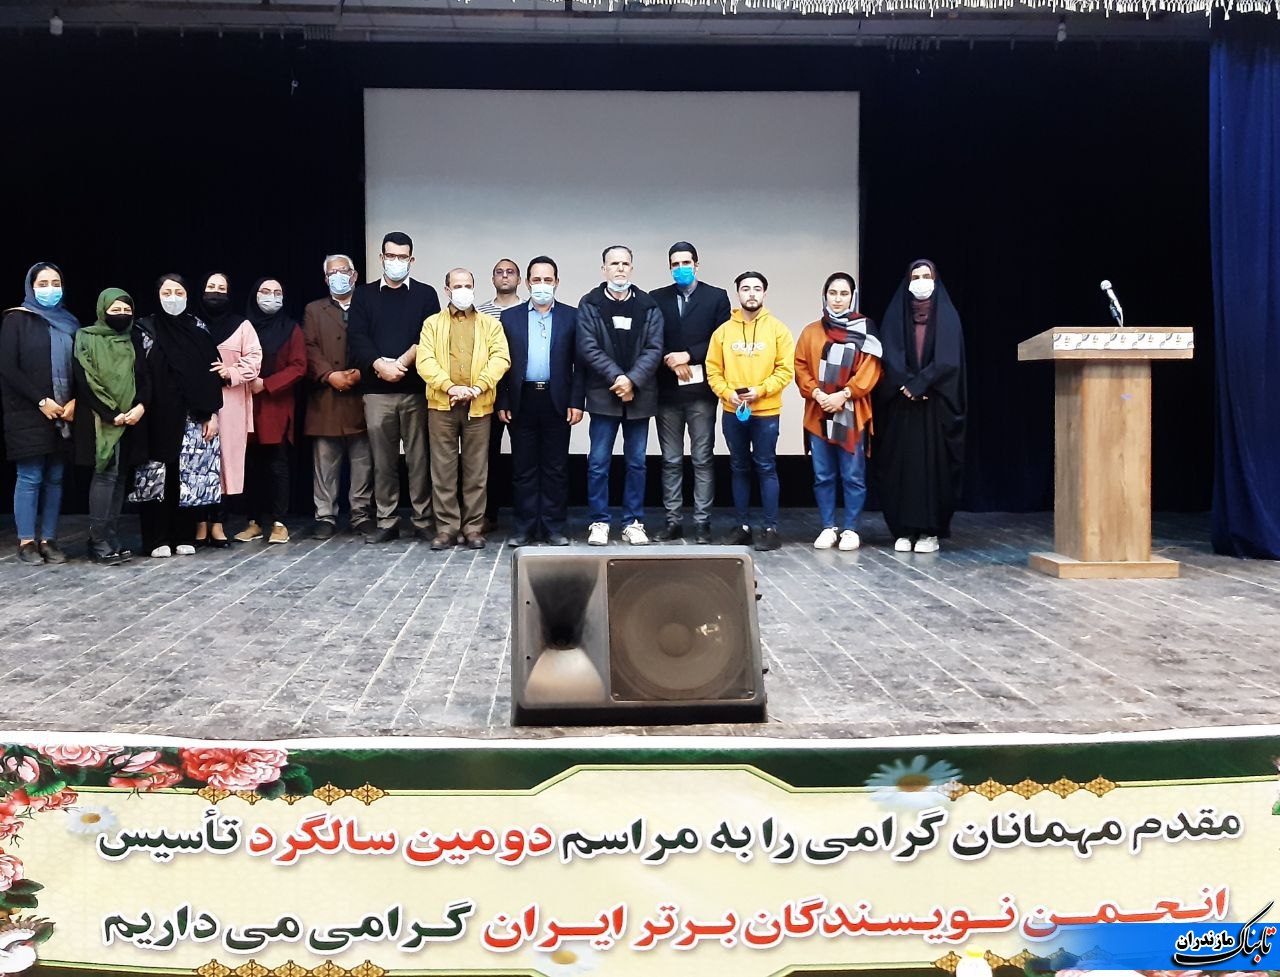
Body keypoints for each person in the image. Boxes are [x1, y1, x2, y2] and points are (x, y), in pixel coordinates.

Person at [347, 231, 441, 544]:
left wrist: (400, 364)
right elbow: (357, 337)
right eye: (391, 256)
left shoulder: (426, 294)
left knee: (419, 459)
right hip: (376, 392)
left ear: (411, 259)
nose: (396, 261)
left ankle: (423, 520)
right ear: (381, 257)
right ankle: (386, 520)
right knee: (383, 460)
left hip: (415, 390)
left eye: (402, 257)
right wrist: (380, 365)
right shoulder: (363, 295)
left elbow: (428, 336)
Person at [873, 259, 967, 553]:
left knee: (934, 469)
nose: (921, 281)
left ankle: (930, 532)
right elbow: (888, 352)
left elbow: (949, 359)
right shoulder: (896, 314)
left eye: (927, 276)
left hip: (935, 406)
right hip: (901, 406)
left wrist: (921, 384)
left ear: (936, 281)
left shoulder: (947, 316)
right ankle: (903, 530)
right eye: (916, 276)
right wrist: (905, 383)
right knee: (900, 467)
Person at [575, 245, 665, 546]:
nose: (620, 269)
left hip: (640, 397)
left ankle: (633, 522)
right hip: (604, 395)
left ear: (632, 268)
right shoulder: (590, 303)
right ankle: (599, 522)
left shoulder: (649, 305)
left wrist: (632, 380)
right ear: (604, 269)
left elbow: (654, 348)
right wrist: (618, 378)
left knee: (636, 463)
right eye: (614, 264)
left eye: (625, 263)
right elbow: (588, 347)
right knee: (598, 463)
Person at [416, 268, 510, 550]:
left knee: (476, 471)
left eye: (468, 285)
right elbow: (425, 361)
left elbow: (500, 358)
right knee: (443, 471)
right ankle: (446, 528)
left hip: (478, 405)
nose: (463, 291)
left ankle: (473, 528)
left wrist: (478, 387)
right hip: (441, 405)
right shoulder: (432, 323)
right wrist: (450, 387)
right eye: (457, 286)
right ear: (447, 290)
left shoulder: (490, 324)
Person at [496, 256, 583, 547]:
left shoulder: (571, 316)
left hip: (557, 400)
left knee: (556, 468)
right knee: (523, 468)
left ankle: (554, 528)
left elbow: (579, 364)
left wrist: (577, 401)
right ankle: (524, 528)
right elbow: (502, 364)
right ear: (526, 283)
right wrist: (503, 401)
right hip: (522, 399)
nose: (542, 285)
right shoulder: (510, 318)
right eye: (536, 280)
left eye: (548, 280)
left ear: (556, 282)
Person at [136, 274, 225, 558]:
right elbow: (139, 373)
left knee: (186, 476)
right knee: (156, 476)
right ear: (157, 295)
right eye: (167, 292)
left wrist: (211, 413)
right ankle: (156, 539)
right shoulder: (145, 329)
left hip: (191, 417)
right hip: (154, 415)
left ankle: (183, 535)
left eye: (179, 292)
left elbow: (211, 374)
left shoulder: (198, 328)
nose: (173, 298)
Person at [705, 271, 794, 552]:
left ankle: (770, 528)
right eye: (745, 288)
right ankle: (742, 526)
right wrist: (727, 393)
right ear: (738, 294)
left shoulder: (778, 330)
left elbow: (785, 370)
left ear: (764, 293)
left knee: (766, 467)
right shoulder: (723, 332)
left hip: (766, 411)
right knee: (738, 467)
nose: (751, 293)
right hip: (733, 410)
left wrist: (761, 390)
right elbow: (713, 369)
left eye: (757, 288)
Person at [793, 273, 883, 551]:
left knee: (853, 475)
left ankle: (851, 529)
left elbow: (871, 369)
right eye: (833, 293)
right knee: (823, 475)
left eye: (844, 294)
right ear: (825, 296)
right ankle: (828, 527)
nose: (838, 299)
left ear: (852, 297)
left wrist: (844, 394)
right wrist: (818, 394)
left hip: (851, 412)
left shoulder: (865, 329)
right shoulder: (810, 331)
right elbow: (800, 366)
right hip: (818, 411)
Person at [650, 241, 731, 544]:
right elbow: (650, 338)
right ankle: (672, 521)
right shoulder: (656, 298)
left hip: (701, 393)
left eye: (686, 263)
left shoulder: (716, 297)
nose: (681, 268)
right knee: (671, 460)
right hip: (667, 392)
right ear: (669, 267)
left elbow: (721, 339)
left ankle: (702, 523)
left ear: (697, 264)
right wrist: (670, 359)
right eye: (675, 264)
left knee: (702, 458)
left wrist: (689, 355)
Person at [0, 263, 79, 564]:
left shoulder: (70, 322)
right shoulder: (16, 319)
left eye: (55, 283)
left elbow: (80, 367)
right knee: (30, 476)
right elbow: (8, 367)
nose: (50, 289)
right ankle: (26, 542)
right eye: (42, 284)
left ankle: (48, 539)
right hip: (29, 411)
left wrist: (75, 401)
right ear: (30, 287)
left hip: (64, 412)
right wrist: (41, 401)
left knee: (55, 477)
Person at [72, 288, 150, 564]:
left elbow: (145, 376)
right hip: (100, 419)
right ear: (102, 311)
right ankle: (98, 541)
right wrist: (111, 413)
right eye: (115, 310)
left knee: (120, 478)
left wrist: (140, 406)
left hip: (131, 418)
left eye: (127, 310)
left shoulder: (134, 337)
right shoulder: (85, 337)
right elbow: (85, 380)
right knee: (105, 475)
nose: (122, 314)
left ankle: (111, 536)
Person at [303, 254, 373, 538]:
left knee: (363, 461)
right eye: (333, 273)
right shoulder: (313, 309)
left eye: (344, 271)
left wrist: (360, 372)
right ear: (325, 279)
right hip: (326, 396)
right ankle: (325, 516)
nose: (339, 276)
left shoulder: (367, 305)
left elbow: (376, 342)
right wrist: (329, 375)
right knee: (325, 461)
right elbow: (308, 347)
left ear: (354, 276)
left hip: (361, 393)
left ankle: (361, 514)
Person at [233, 278, 306, 545]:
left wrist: (267, 383)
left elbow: (299, 366)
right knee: (250, 466)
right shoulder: (242, 327)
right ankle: (253, 522)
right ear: (254, 295)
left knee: (277, 465)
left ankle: (279, 523)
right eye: (265, 291)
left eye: (277, 292)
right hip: (245, 403)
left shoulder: (291, 328)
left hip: (275, 404)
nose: (271, 296)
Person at [200, 272, 261, 548]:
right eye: (211, 287)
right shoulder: (192, 323)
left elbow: (254, 360)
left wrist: (230, 371)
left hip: (231, 404)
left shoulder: (242, 326)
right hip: (196, 403)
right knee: (198, 464)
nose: (216, 293)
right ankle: (199, 522)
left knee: (225, 465)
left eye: (221, 288)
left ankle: (218, 523)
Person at [476, 258, 523, 533]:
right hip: (487, 393)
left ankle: (523, 517)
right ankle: (487, 514)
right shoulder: (480, 312)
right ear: (492, 278)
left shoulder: (529, 309)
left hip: (520, 394)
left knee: (523, 458)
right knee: (487, 457)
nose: (505, 276)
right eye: (499, 272)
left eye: (510, 272)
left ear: (519, 279)